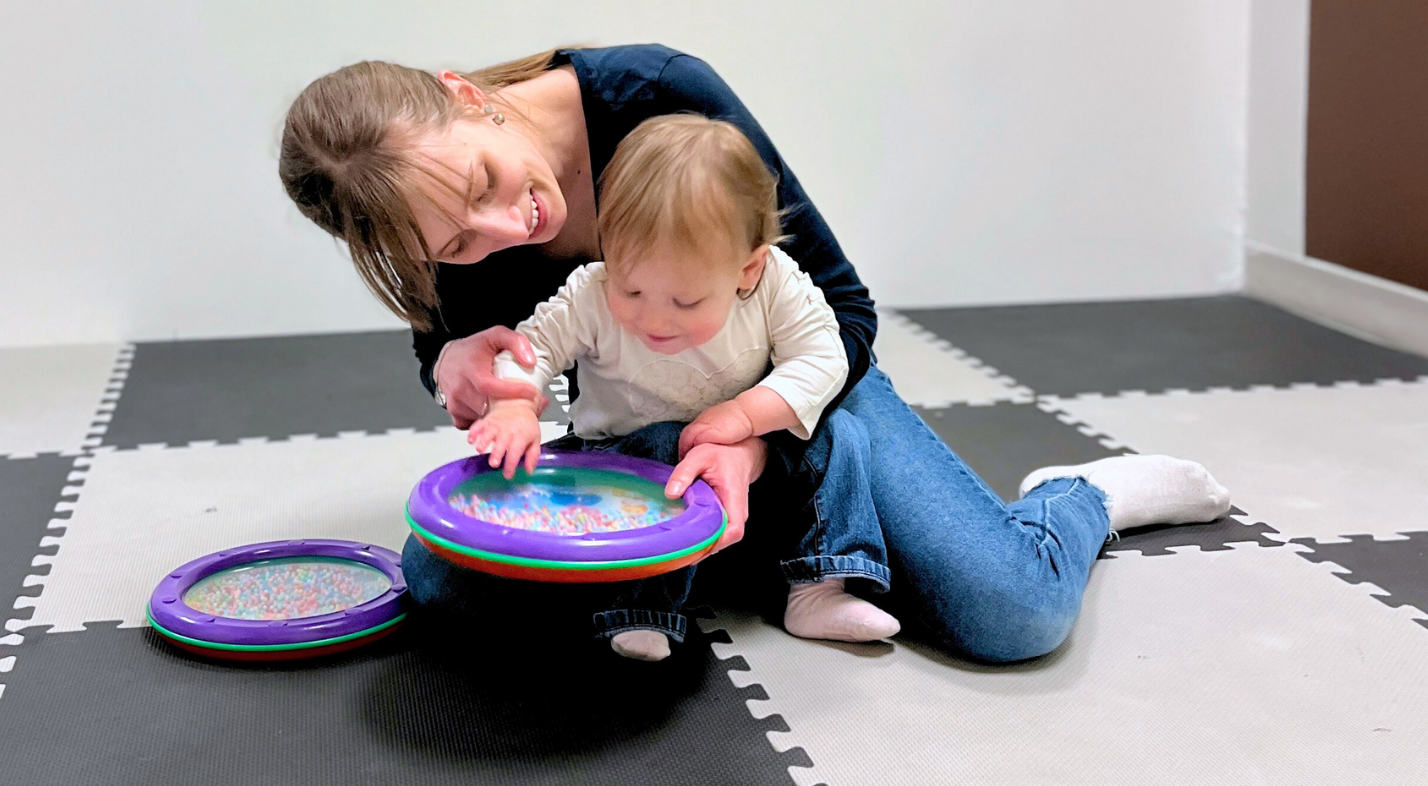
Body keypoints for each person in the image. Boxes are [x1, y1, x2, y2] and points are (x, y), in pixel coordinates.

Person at [279, 44, 1231, 663]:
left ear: (464, 95)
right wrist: (452, 368)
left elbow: (844, 319)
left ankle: (1082, 496)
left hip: (793, 399)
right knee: (441, 584)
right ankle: (752, 551)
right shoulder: (427, 220)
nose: (507, 227)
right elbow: (509, 368)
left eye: (486, 183)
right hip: (642, 434)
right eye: (458, 247)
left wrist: (751, 431)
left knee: (1013, 614)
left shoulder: (663, 103)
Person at [466, 115, 898, 660]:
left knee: (841, 434)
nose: (654, 319)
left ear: (747, 268)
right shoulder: (592, 292)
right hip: (628, 470)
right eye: (633, 288)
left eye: (685, 302)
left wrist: (745, 417)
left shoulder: (774, 285)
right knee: (658, 443)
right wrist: (513, 404)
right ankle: (643, 610)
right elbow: (532, 347)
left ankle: (820, 586)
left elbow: (823, 357)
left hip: (749, 473)